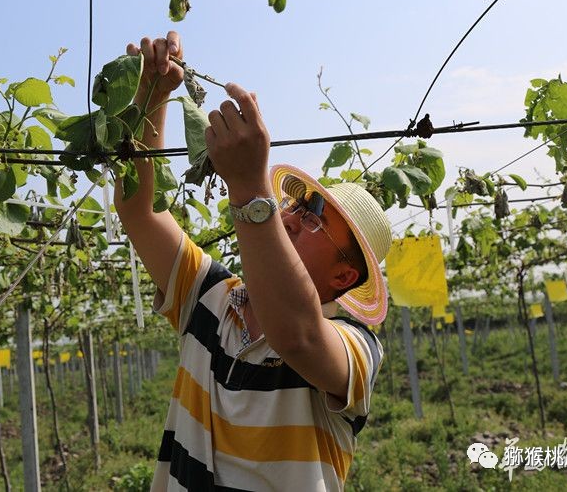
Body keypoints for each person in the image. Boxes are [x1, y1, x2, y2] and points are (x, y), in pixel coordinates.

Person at [114, 31, 393, 491]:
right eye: (298, 204)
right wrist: (150, 97)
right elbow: (139, 211)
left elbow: (297, 337)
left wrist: (248, 189)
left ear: (344, 275)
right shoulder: (210, 296)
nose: (296, 216)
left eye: (316, 218)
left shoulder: (357, 349)